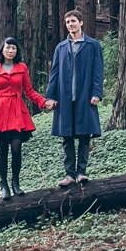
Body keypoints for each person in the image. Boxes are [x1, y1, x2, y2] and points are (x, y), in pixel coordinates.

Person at [0, 37, 48, 199]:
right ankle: (3, 185)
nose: (11, 51)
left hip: (17, 112)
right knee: (2, 150)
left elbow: (29, 91)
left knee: (16, 148)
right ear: (2, 49)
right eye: (8, 48)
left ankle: (15, 183)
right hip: (0, 113)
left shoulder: (22, 67)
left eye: (14, 48)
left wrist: (43, 102)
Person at [45, 9, 103, 186]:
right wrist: (50, 96)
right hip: (64, 98)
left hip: (85, 97)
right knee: (67, 137)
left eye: (73, 21)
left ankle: (81, 173)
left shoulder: (93, 45)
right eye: (68, 22)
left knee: (84, 135)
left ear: (81, 23)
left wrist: (96, 93)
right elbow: (54, 73)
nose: (70, 24)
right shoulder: (61, 47)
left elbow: (98, 71)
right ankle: (69, 174)